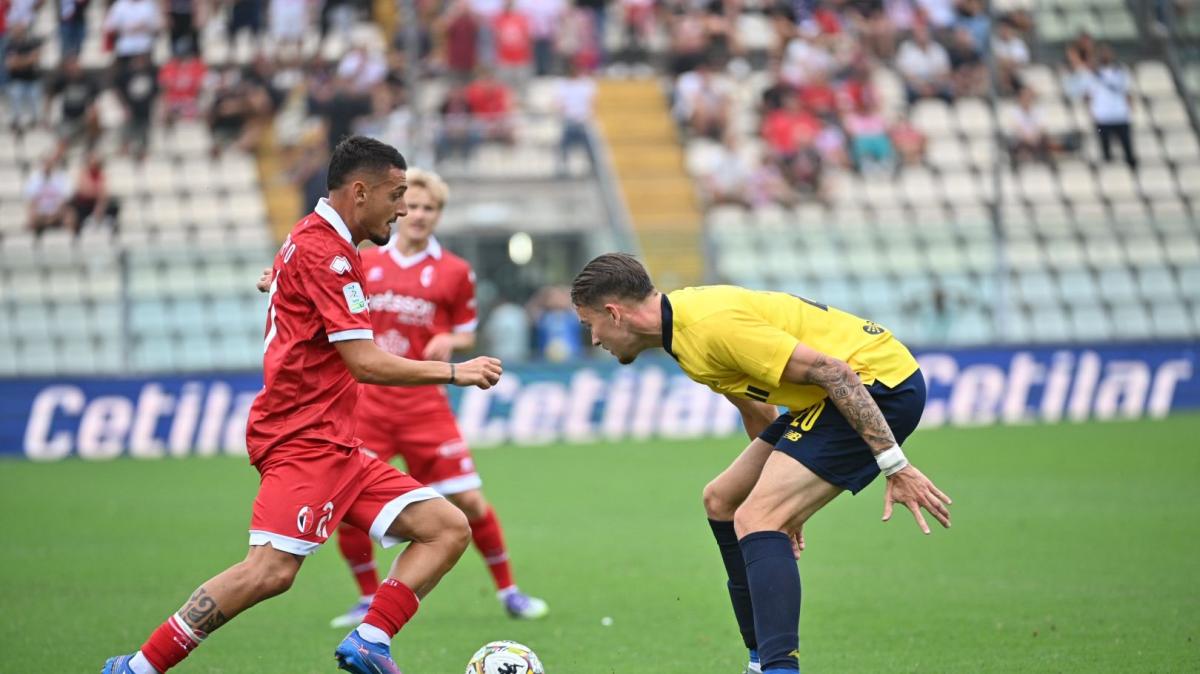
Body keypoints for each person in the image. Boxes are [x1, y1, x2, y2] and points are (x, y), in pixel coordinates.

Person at [100, 136, 504, 674]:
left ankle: (370, 640)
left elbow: (299, 270)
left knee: (448, 527)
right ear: (360, 193)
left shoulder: (316, 236)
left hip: (337, 442)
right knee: (269, 570)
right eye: (396, 194)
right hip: (303, 438)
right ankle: (138, 668)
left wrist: (280, 276)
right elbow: (365, 362)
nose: (404, 208)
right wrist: (455, 371)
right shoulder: (329, 255)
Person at [569, 253, 952, 674]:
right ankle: (758, 660)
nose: (594, 340)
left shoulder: (709, 326)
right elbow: (758, 414)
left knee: (758, 519)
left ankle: (779, 669)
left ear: (614, 313)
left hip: (878, 384)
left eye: (590, 326)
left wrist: (895, 466)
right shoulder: (681, 335)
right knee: (723, 501)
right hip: (834, 396)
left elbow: (836, 372)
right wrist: (785, 495)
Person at [258, 168, 548, 626]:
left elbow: (467, 329)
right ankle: (367, 597)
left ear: (439, 215)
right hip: (367, 403)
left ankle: (509, 591)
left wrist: (451, 342)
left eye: (429, 208)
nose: (417, 215)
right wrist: (279, 280)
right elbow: (319, 290)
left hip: (423, 405)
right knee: (344, 505)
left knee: (469, 504)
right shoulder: (364, 260)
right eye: (410, 205)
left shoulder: (455, 272)